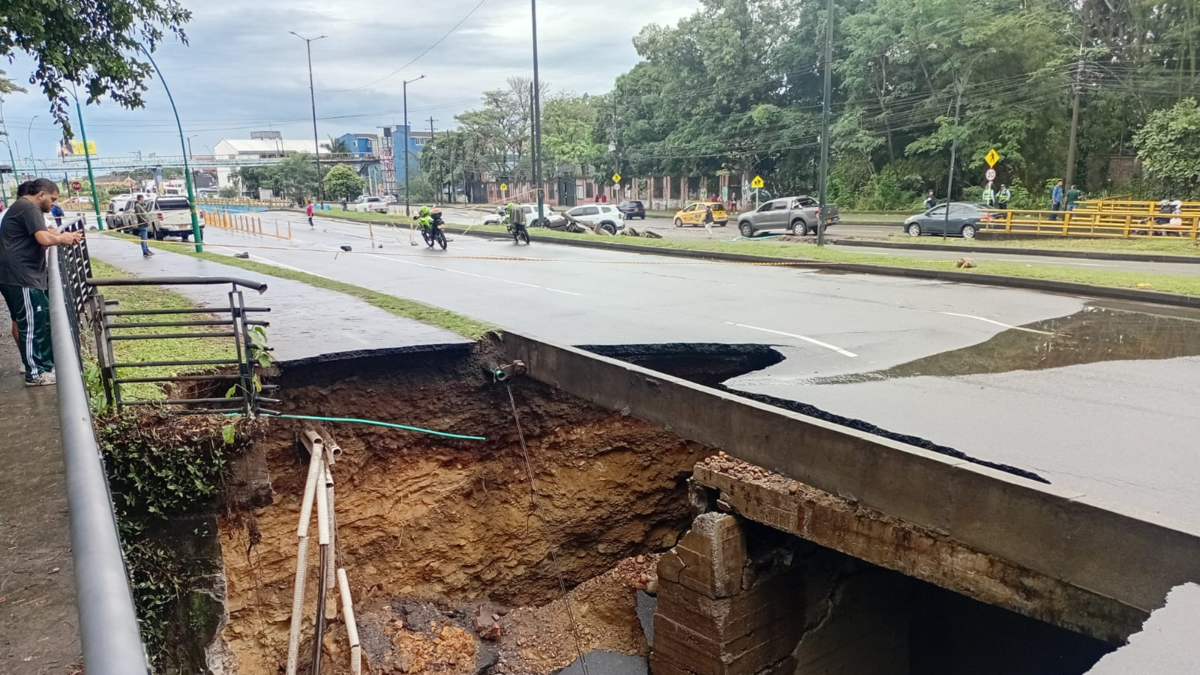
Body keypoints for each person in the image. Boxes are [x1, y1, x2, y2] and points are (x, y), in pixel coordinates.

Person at [0, 178, 84, 386]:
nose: (54, 204)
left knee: (41, 320)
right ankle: (35, 374)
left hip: (25, 275)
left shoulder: (26, 208)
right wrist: (63, 239)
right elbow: (44, 239)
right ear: (41, 195)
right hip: (21, 276)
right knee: (30, 324)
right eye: (53, 199)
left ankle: (45, 366)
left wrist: (65, 235)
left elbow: (47, 233)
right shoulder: (28, 208)